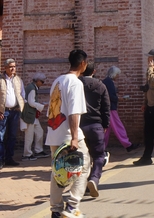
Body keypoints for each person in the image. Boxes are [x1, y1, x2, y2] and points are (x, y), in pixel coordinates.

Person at [45, 49, 90, 218]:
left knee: (58, 172)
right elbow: (74, 112)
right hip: (68, 136)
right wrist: (75, 137)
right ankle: (72, 206)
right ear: (83, 64)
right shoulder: (76, 83)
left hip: (54, 134)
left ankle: (56, 209)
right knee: (83, 167)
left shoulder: (58, 80)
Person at [79, 62, 110, 199]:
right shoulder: (101, 85)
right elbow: (106, 107)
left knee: (82, 157)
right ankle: (94, 178)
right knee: (99, 155)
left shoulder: (77, 84)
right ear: (94, 71)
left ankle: (82, 184)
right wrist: (105, 124)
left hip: (79, 125)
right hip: (96, 124)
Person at [0, 58, 25, 170]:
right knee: (0, 136)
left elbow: (22, 94)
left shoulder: (18, 80)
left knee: (12, 136)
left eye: (14, 66)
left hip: (14, 111)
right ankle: (0, 159)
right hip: (3, 111)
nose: (13, 68)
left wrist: (20, 105)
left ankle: (9, 158)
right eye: (10, 66)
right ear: (5, 68)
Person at [102, 66, 140, 152]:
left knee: (106, 129)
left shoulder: (106, 81)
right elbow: (110, 96)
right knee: (118, 127)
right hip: (111, 109)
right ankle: (127, 144)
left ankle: (101, 147)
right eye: (117, 75)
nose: (117, 77)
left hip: (107, 108)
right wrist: (119, 99)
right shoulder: (109, 82)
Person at [22, 72, 49, 160]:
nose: (42, 83)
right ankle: (27, 154)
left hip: (32, 115)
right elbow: (31, 102)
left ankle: (38, 150)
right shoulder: (32, 89)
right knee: (29, 135)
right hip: (29, 115)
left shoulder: (32, 87)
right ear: (37, 81)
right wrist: (41, 106)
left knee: (39, 132)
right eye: (42, 82)